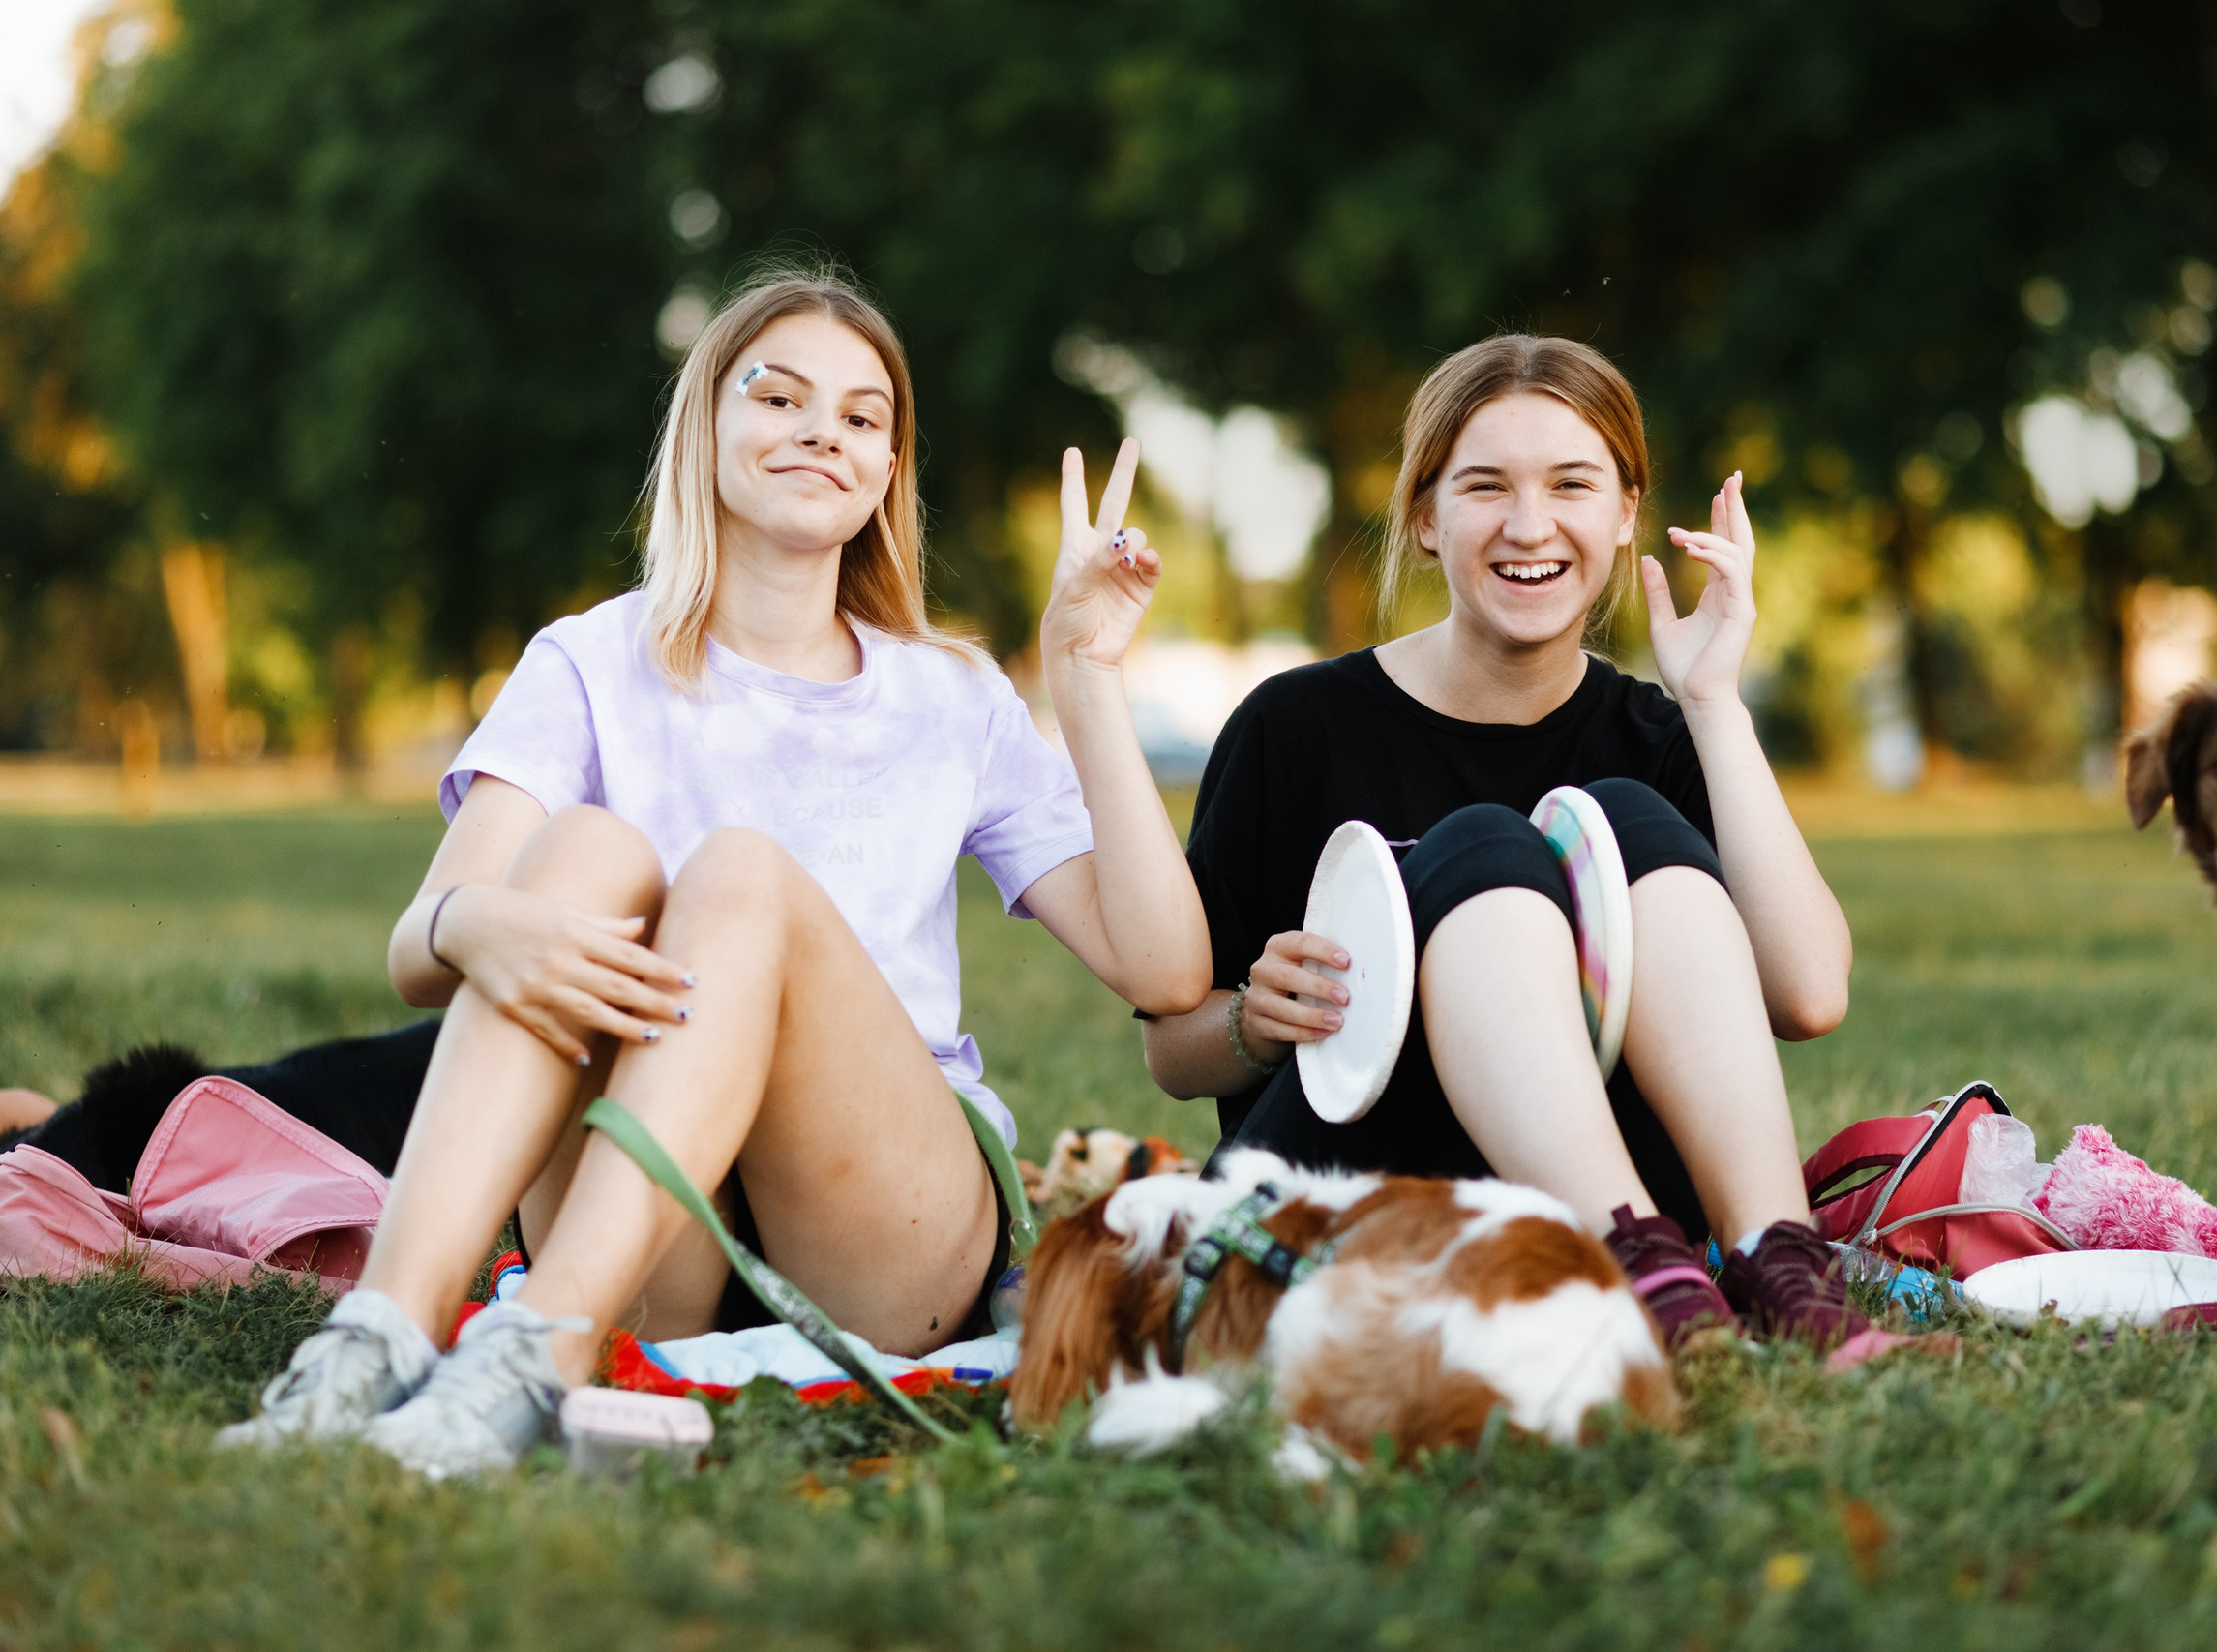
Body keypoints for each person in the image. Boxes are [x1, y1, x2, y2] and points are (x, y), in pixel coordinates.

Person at [222, 268, 1209, 1473]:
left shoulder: (950, 695)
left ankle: (532, 1357)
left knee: (739, 876)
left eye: (860, 417)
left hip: (886, 1237)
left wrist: (1086, 675)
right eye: (779, 397)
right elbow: (419, 941)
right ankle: (381, 1337)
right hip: (653, 1250)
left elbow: (1166, 972)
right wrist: (480, 924)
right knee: (583, 851)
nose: (821, 432)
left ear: (887, 470)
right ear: (705, 425)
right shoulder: (587, 660)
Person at [1141, 334, 1868, 1349]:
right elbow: (1172, 1052)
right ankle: (1636, 1276)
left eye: (1572, 483)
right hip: (1361, 1202)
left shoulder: (1662, 737)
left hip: (1631, 1209)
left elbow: (1808, 995)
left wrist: (1712, 702)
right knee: (1486, 848)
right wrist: (1253, 1023)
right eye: (1485, 485)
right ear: (1424, 516)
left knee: (1622, 817)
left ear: (1625, 513)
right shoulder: (1294, 727)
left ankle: (1779, 1267)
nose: (1530, 525)